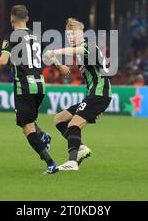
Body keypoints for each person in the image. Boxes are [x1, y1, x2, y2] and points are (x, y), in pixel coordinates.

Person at [0, 5, 70, 174]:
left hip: (24, 85)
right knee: (21, 118)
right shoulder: (36, 36)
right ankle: (43, 135)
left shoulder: (11, 37)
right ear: (27, 19)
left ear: (11, 19)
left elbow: (2, 61)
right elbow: (49, 55)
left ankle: (50, 163)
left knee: (26, 127)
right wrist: (60, 67)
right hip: (40, 84)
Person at [48, 18, 112, 171]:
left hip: (99, 94)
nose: (70, 37)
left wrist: (55, 51)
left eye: (74, 34)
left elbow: (78, 50)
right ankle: (81, 149)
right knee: (59, 119)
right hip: (93, 95)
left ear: (81, 34)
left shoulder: (87, 46)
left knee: (74, 125)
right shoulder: (80, 52)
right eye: (68, 35)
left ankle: (72, 162)